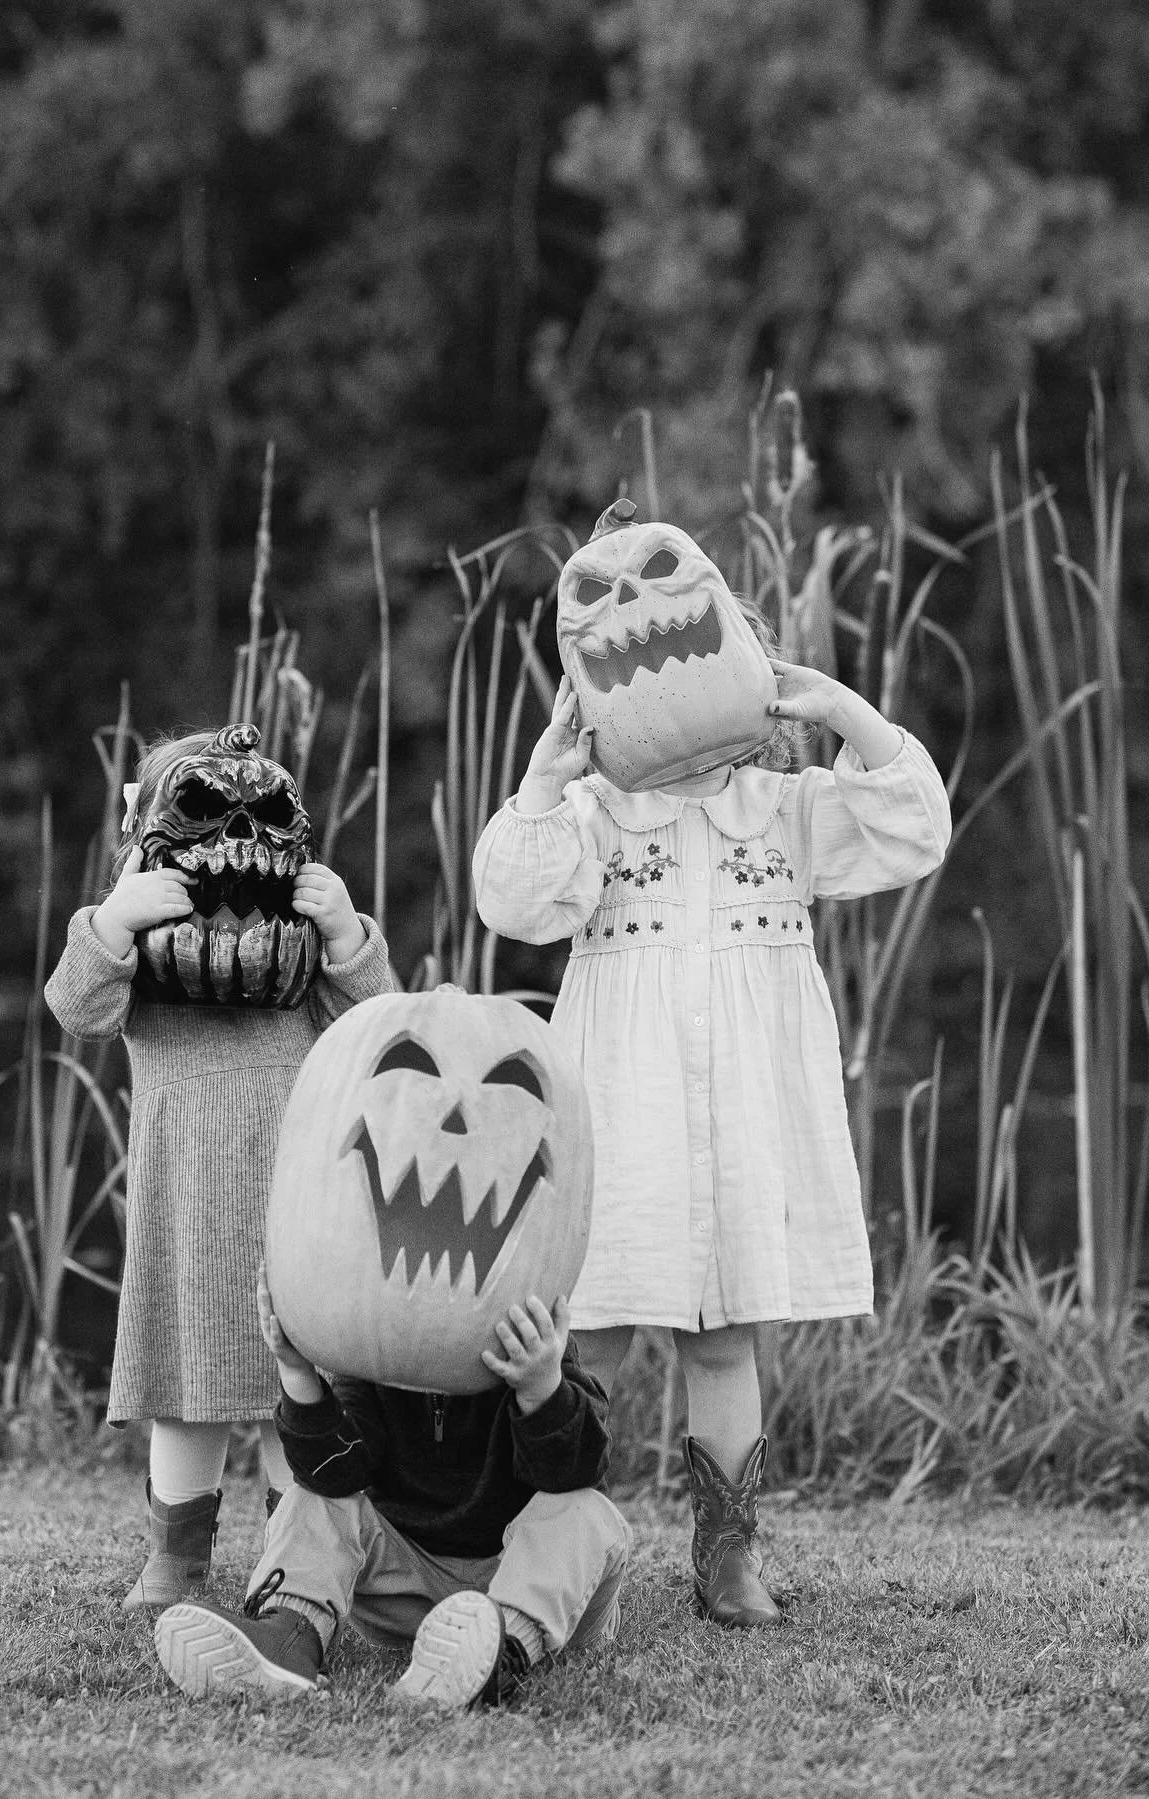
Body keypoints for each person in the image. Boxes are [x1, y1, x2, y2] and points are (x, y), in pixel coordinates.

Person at [470, 560, 952, 1629]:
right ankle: (552, 1544)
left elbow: (915, 829)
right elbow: (511, 899)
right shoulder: (594, 814)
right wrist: (549, 771)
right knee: (584, 1328)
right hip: (620, 1094)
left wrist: (838, 710)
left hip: (744, 1099)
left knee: (726, 1333)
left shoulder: (785, 809)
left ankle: (726, 1558)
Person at [45, 728, 389, 1612]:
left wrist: (346, 927)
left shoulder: (299, 950)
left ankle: (299, 1556)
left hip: (294, 1216)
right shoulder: (140, 961)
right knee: (185, 1395)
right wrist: (116, 914)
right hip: (187, 1207)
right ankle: (177, 1556)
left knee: (297, 1395)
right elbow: (75, 1007)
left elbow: (381, 1025)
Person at [153, 1269, 632, 1707]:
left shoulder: (544, 1357)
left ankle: (497, 1656)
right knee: (314, 1498)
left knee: (587, 1512)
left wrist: (541, 1386)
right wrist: (297, 1371)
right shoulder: (373, 1363)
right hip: (408, 1585)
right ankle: (287, 1636)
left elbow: (575, 1471)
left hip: (537, 1591)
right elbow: (333, 1472)